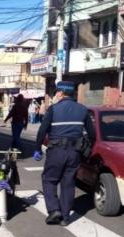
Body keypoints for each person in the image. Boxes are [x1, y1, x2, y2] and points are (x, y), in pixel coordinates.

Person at [33, 81, 95, 226]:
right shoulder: (83, 109)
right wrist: (87, 148)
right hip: (75, 152)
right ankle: (66, 218)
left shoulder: (54, 109)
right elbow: (92, 134)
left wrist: (37, 148)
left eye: (56, 93)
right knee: (68, 183)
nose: (55, 95)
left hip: (56, 151)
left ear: (60, 93)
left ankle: (54, 210)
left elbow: (42, 131)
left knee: (49, 179)